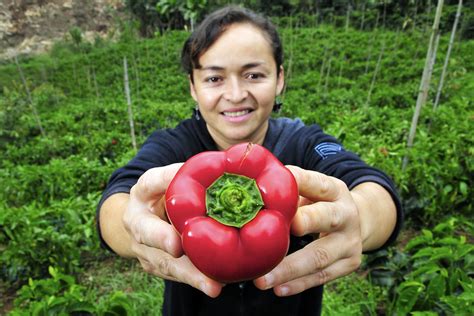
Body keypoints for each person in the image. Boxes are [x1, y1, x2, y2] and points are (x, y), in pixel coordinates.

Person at [97, 5, 402, 316]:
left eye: (254, 75)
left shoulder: (304, 143)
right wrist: (131, 224)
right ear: (193, 86)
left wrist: (359, 217)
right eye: (214, 78)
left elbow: (373, 189)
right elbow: (117, 200)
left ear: (280, 78)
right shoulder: (173, 146)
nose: (235, 93)